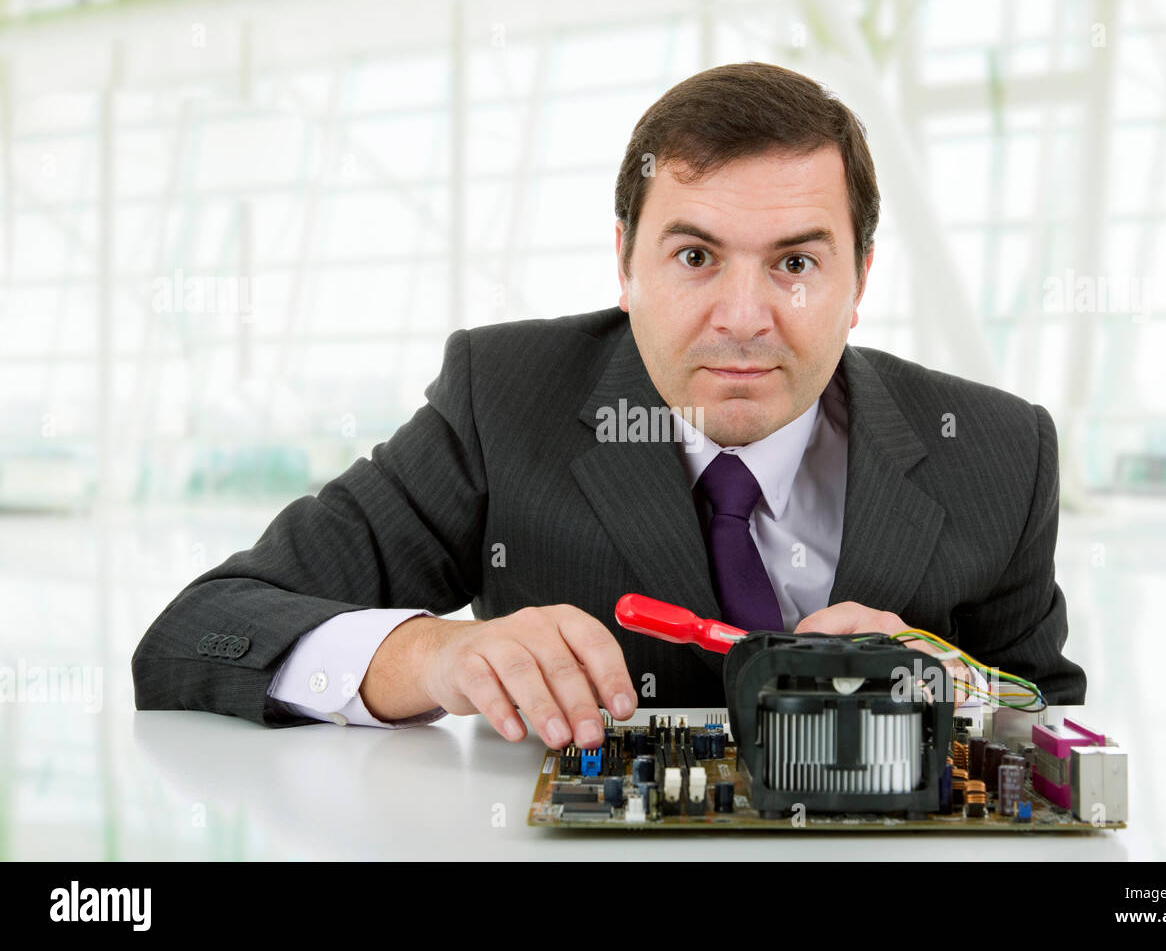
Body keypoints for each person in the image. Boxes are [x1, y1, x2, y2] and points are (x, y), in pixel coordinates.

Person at [132, 61, 1085, 752]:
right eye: (695, 257)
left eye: (795, 263)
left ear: (859, 278)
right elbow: (197, 632)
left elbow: (1055, 728)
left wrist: (946, 681)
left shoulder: (1000, 453)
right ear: (625, 263)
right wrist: (431, 657)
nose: (743, 319)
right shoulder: (504, 402)